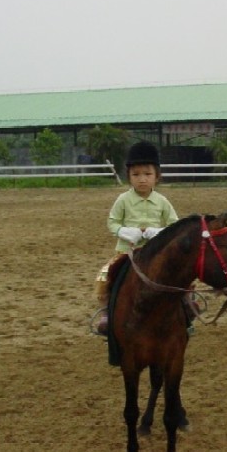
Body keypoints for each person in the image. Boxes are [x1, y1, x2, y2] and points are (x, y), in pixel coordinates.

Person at [95, 140, 179, 334]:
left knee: (177, 272)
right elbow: (112, 222)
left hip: (155, 252)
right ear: (129, 177)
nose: (142, 179)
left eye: (147, 174)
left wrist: (157, 233)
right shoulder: (123, 200)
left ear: (157, 176)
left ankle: (186, 307)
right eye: (136, 174)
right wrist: (125, 232)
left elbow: (174, 224)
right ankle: (107, 312)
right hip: (127, 251)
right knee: (106, 275)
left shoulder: (162, 202)